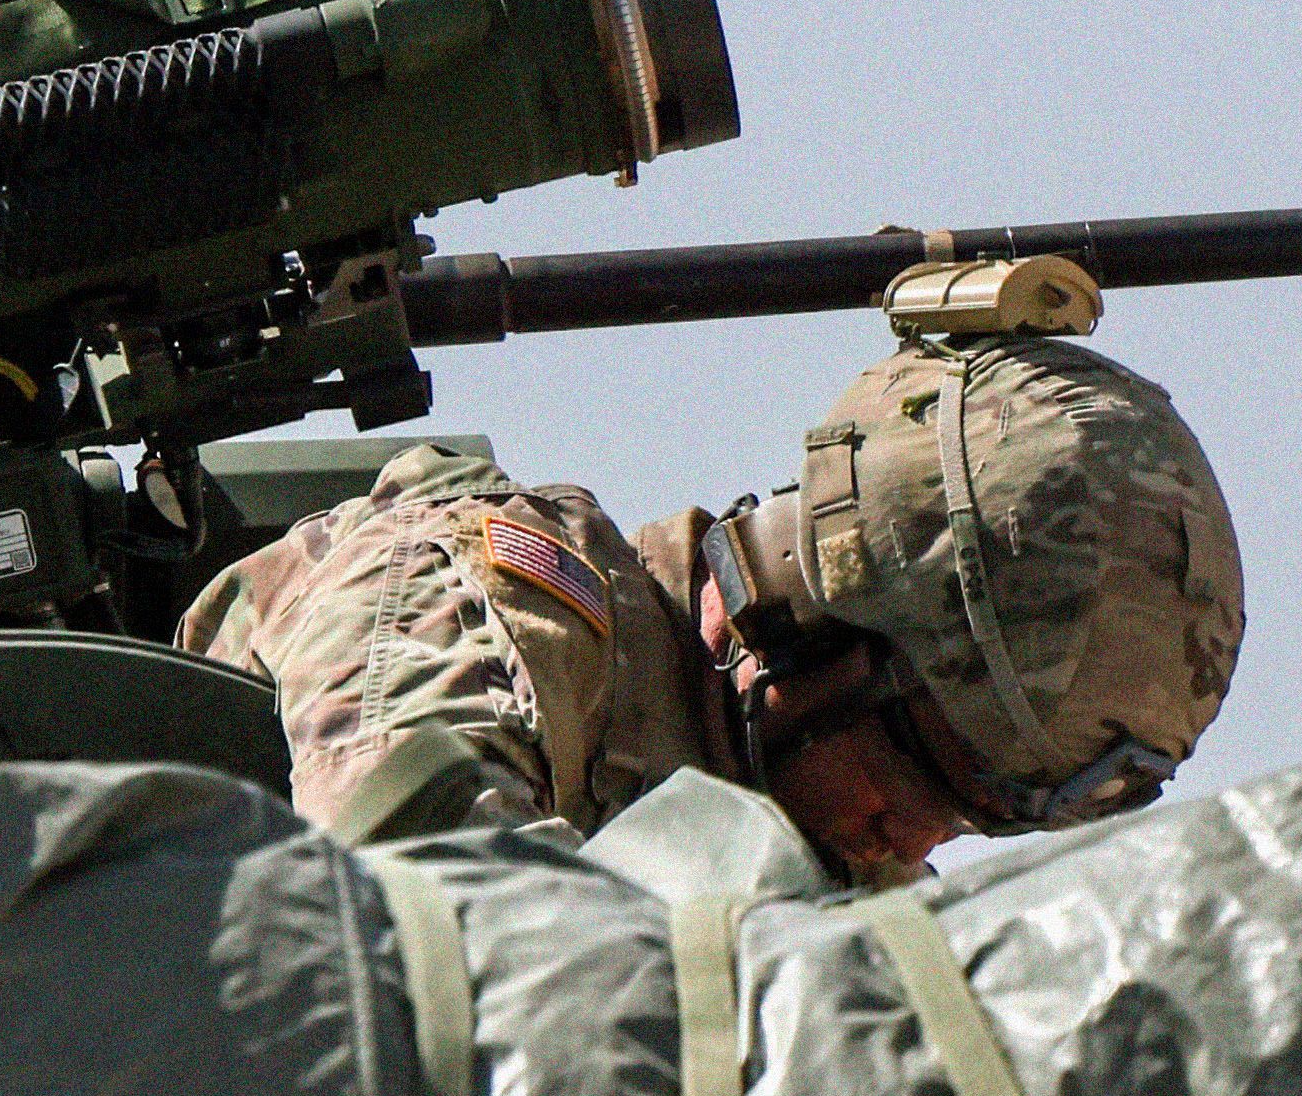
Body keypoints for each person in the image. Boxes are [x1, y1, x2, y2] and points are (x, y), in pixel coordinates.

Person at [178, 327, 1245, 885]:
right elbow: (425, 918)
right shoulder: (495, 599)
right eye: (919, 774)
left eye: (977, 820)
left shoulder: (814, 868)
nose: (910, 840)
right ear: (804, 607)